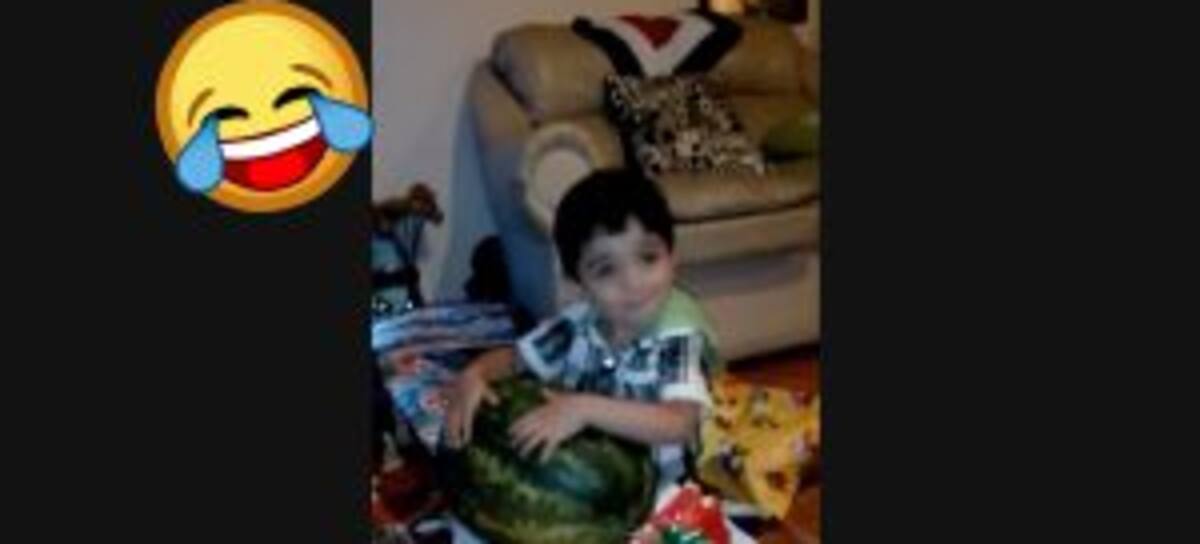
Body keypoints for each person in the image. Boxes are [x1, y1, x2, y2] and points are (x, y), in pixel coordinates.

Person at [443, 168, 719, 489]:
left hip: (666, 489)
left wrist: (584, 409)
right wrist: (474, 374)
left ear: (673, 258)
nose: (633, 282)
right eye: (606, 270)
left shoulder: (677, 339)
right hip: (590, 480)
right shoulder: (576, 324)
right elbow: (514, 359)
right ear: (578, 282)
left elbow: (679, 423)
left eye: (648, 258)